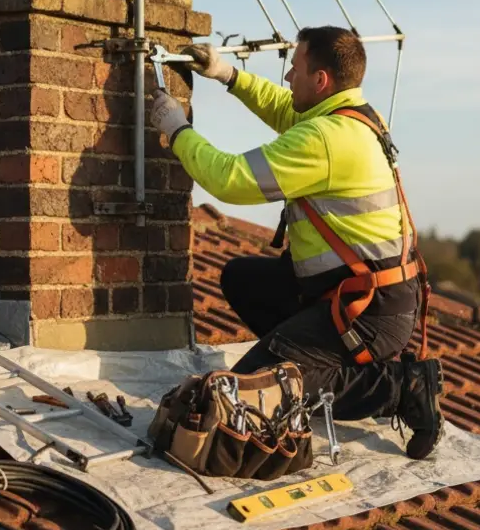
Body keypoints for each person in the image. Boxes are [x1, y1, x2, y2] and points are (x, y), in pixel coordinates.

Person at [148, 26, 444, 459]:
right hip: (349, 291)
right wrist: (226, 73)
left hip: (369, 311)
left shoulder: (327, 138)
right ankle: (310, 359)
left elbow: (230, 179)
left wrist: (177, 131)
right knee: (240, 278)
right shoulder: (350, 116)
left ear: (320, 80)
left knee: (255, 393)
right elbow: (284, 109)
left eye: (295, 68)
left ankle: (400, 388)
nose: (287, 77)